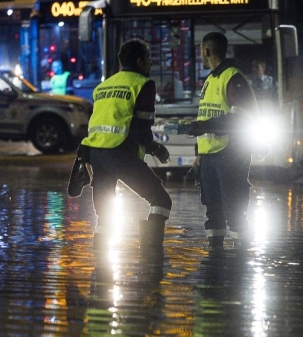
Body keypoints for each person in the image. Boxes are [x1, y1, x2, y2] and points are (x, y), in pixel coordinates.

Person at [79, 39, 172, 257]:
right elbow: (142, 128)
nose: (150, 64)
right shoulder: (143, 84)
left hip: (95, 154)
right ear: (140, 61)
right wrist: (156, 148)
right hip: (119, 153)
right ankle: (151, 259)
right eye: (148, 59)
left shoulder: (104, 86)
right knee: (161, 200)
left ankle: (99, 272)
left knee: (104, 214)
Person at [187, 32, 259, 248]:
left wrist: (205, 127)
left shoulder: (232, 78)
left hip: (231, 154)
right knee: (213, 212)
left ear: (206, 51)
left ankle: (240, 263)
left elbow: (239, 117)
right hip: (210, 156)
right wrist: (198, 156)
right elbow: (205, 117)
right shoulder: (210, 80)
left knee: (234, 210)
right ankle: (215, 263)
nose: (201, 53)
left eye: (201, 50)